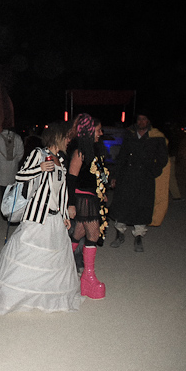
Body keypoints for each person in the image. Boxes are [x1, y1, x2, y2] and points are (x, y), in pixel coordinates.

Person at [0, 123, 82, 313]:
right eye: (67, 137)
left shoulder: (61, 158)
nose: (69, 141)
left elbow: (61, 191)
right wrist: (39, 168)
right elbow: (20, 175)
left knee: (52, 259)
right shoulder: (39, 154)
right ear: (57, 137)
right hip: (38, 215)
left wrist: (64, 213)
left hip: (55, 219)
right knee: (26, 254)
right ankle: (14, 294)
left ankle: (47, 295)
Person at [108, 110, 168, 252]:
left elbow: (162, 159)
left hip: (145, 178)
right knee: (122, 205)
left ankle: (139, 237)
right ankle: (119, 234)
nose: (141, 122)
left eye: (144, 119)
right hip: (127, 176)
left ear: (149, 121)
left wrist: (153, 171)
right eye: (139, 119)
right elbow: (122, 156)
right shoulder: (129, 135)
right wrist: (115, 176)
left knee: (142, 206)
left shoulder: (156, 137)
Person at [67, 114, 109, 299]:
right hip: (82, 198)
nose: (101, 133)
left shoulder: (93, 149)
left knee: (79, 233)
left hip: (92, 196)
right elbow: (71, 178)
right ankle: (88, 276)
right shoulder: (79, 151)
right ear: (90, 131)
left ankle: (64, 267)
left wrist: (102, 191)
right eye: (98, 130)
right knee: (93, 233)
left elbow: (97, 175)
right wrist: (70, 204)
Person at [0, 127, 25, 196]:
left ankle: (4, 203)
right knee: (11, 186)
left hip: (1, 166)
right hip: (13, 166)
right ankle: (10, 203)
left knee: (3, 187)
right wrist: (16, 161)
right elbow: (21, 152)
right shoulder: (17, 137)